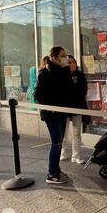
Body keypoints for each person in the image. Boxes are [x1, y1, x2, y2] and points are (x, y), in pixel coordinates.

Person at [34, 47, 73, 184]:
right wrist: (52, 106)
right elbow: (37, 95)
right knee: (56, 142)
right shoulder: (44, 72)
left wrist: (67, 70)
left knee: (59, 142)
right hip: (51, 114)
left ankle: (56, 169)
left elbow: (69, 90)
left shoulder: (63, 71)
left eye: (66, 55)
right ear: (54, 57)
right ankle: (51, 174)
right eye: (63, 56)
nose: (66, 58)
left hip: (61, 112)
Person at [61, 55, 88, 164]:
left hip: (77, 106)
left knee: (76, 132)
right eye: (69, 62)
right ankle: (62, 153)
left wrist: (74, 91)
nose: (71, 64)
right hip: (65, 107)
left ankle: (76, 155)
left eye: (73, 62)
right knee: (63, 132)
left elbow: (83, 90)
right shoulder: (62, 75)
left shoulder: (80, 75)